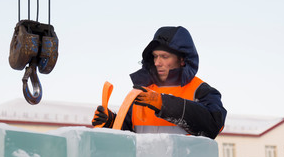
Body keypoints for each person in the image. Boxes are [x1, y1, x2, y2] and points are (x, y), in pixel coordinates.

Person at [92, 26, 226, 139]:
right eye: (155, 56)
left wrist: (163, 104)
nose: (157, 62)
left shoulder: (201, 90)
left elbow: (214, 125)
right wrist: (112, 122)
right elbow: (130, 137)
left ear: (182, 59)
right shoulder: (141, 93)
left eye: (164, 56)